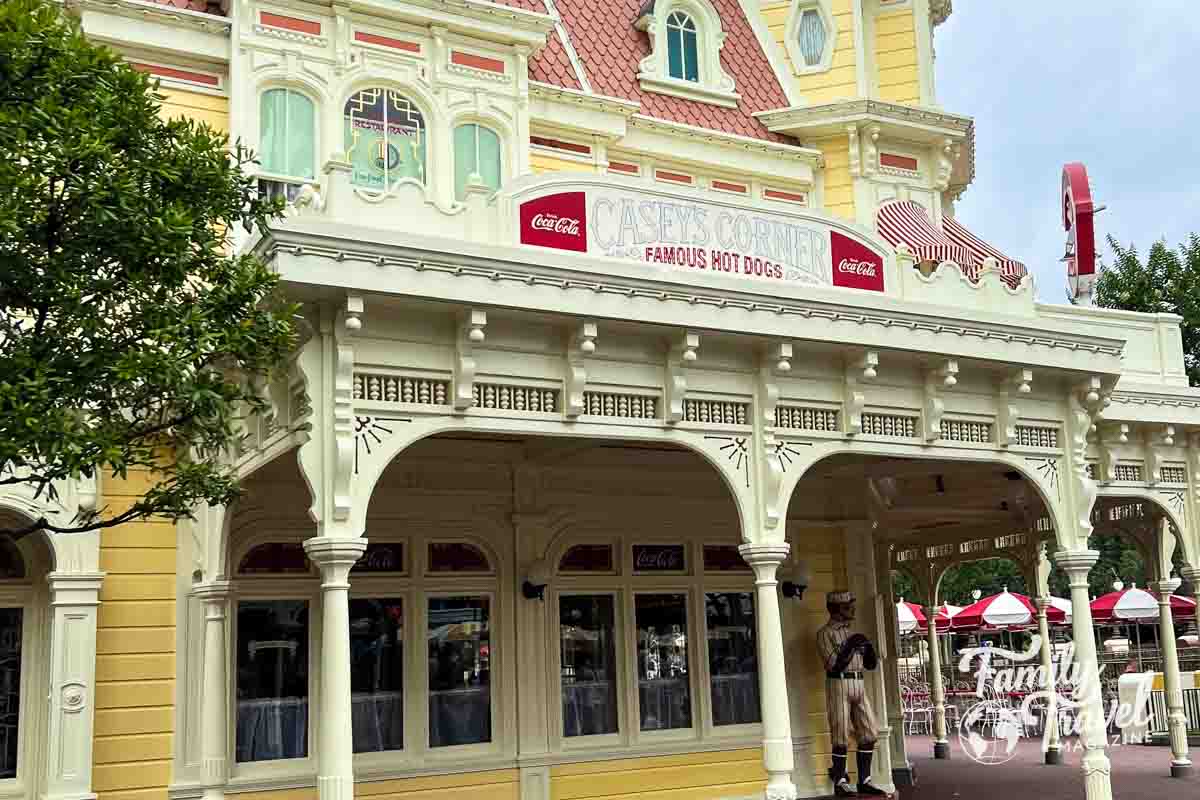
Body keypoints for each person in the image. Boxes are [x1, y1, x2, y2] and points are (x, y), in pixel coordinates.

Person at [816, 590, 888, 797]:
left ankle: (864, 779)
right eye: (848, 606)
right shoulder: (824, 633)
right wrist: (851, 646)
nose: (852, 609)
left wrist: (867, 650)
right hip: (839, 683)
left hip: (858, 682)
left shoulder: (850, 632)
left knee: (869, 733)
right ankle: (839, 780)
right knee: (840, 733)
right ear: (836, 609)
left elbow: (870, 664)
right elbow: (833, 665)